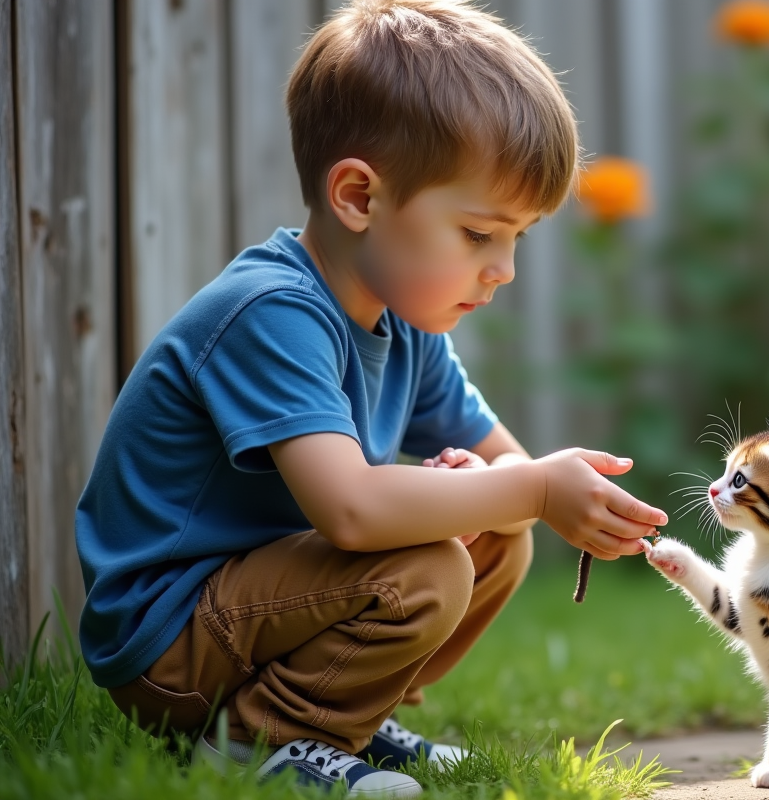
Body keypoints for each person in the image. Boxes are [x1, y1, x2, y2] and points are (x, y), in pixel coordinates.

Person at [74, 2, 667, 796]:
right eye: (479, 234)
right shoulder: (272, 312)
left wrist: (499, 491)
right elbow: (350, 510)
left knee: (494, 540)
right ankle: (261, 743)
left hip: (259, 609)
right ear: (359, 196)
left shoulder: (406, 326)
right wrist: (514, 489)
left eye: (516, 239)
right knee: (427, 565)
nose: (504, 270)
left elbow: (513, 485)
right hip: (170, 641)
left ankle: (346, 713)